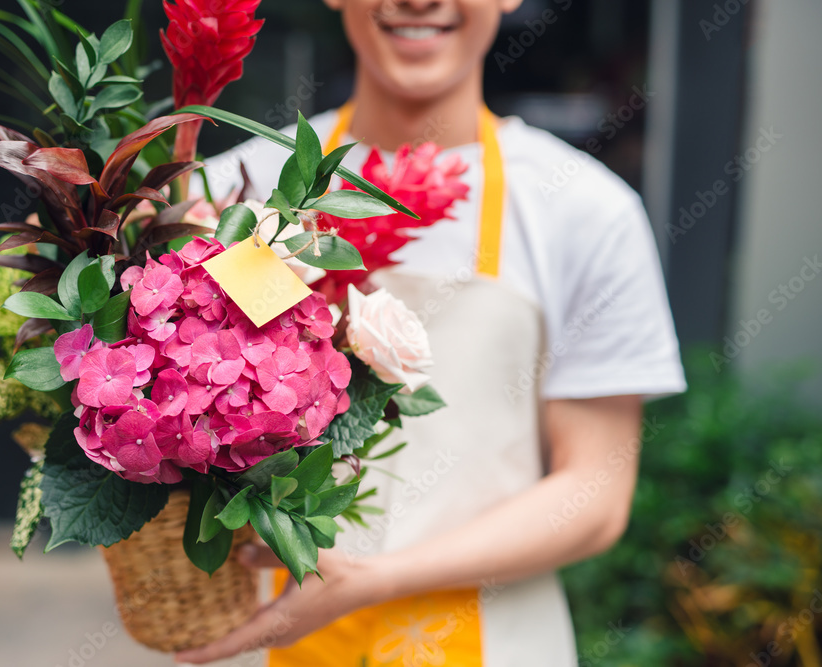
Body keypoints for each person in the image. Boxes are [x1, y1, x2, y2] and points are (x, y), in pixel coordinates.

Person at [177, 0, 686, 664]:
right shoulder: (229, 197)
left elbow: (593, 494)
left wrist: (373, 579)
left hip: (496, 640)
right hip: (271, 636)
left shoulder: (585, 210)